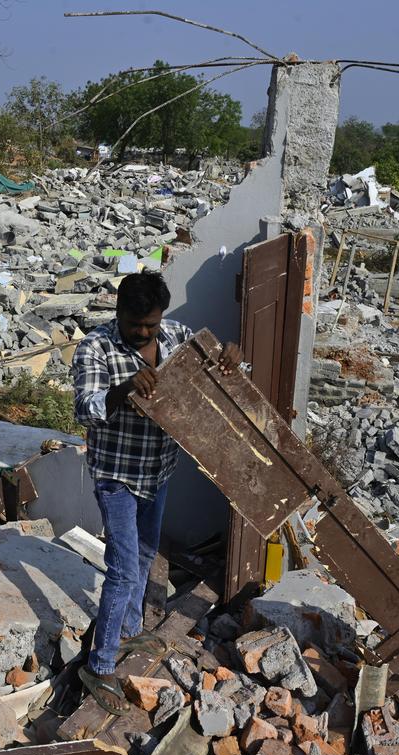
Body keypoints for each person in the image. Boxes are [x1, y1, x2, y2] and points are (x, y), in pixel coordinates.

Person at [71, 272, 241, 714]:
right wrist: (123, 389)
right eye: (135, 325)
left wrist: (231, 358)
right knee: (124, 569)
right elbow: (85, 411)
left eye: (150, 324)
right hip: (117, 476)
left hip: (159, 470)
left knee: (146, 556)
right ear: (118, 313)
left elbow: (216, 370)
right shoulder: (96, 348)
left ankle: (127, 630)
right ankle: (100, 663)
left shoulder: (176, 337)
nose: (144, 333)